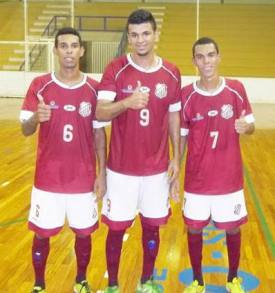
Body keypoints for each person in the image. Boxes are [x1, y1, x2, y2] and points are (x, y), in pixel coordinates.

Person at [95, 9, 181, 293]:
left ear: (156, 35)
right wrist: (126, 102)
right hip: (120, 170)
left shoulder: (171, 72)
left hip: (156, 169)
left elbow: (173, 117)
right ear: (128, 37)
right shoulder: (115, 68)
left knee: (152, 227)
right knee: (116, 228)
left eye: (146, 34)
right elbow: (100, 112)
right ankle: (113, 284)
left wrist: (176, 158)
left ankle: (147, 280)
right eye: (134, 35)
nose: (140, 40)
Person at [19, 27, 107, 293]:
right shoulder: (40, 85)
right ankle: (39, 284)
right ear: (56, 50)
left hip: (82, 179)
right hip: (48, 179)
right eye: (64, 46)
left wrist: (101, 173)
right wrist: (37, 116)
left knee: (83, 232)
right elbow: (25, 129)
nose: (69, 51)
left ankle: (80, 280)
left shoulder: (94, 89)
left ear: (82, 50)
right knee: (42, 233)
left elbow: (99, 134)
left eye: (74, 46)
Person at [180, 37, 255, 293]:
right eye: (200, 57)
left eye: (211, 55)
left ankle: (233, 278)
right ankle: (197, 281)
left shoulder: (236, 89)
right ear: (194, 62)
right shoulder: (186, 95)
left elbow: (251, 125)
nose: (206, 61)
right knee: (194, 228)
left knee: (232, 228)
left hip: (228, 178)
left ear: (219, 57)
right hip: (197, 180)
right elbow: (181, 136)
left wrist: (247, 127)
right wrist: (175, 167)